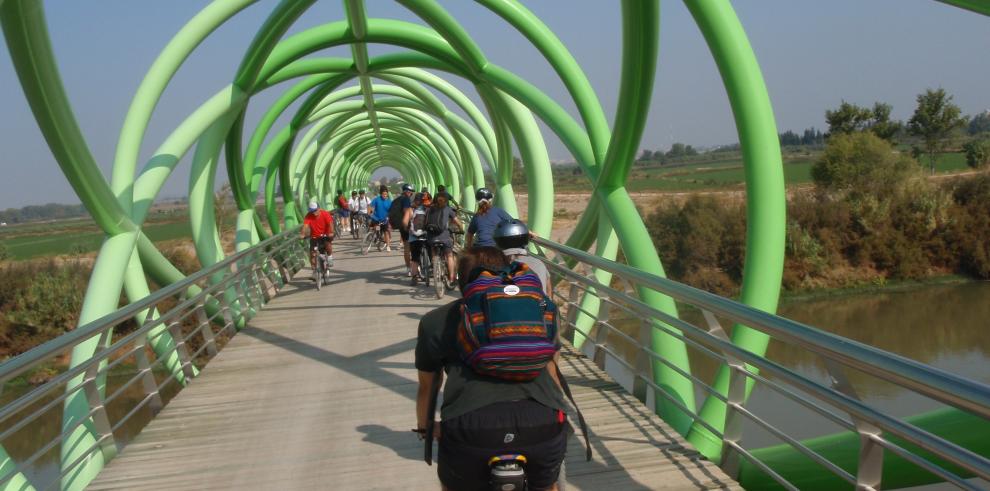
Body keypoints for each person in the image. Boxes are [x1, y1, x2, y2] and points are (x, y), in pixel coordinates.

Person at [415, 247, 570, 491]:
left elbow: (427, 387)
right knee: (548, 485)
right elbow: (552, 369)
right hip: (542, 422)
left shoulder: (435, 321)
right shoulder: (539, 310)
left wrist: (425, 428)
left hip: (470, 428)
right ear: (506, 270)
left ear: (462, 281)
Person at [493, 219, 551, 296]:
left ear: (498, 242)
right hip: (535, 306)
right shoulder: (538, 264)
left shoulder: (491, 265)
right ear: (525, 239)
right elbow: (548, 292)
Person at [425, 193, 461, 286]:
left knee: (433, 250)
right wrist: (461, 229)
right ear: (446, 201)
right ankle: (452, 278)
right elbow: (457, 222)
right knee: (449, 255)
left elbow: (425, 222)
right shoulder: (448, 209)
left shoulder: (429, 209)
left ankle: (435, 268)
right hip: (444, 237)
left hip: (431, 237)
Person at [300, 200, 334, 279]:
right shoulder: (308, 215)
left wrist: (331, 232)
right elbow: (305, 226)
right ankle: (314, 271)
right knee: (312, 253)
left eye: (315, 211)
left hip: (325, 234)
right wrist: (302, 234)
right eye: (312, 211)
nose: (313, 213)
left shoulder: (325, 214)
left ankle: (329, 257)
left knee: (327, 245)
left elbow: (330, 224)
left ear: (319, 208)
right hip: (314, 236)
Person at [407, 192, 431, 286]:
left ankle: (414, 278)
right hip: (426, 235)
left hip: (414, 237)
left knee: (414, 258)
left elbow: (405, 222)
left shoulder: (411, 209)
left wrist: (407, 229)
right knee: (431, 253)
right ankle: (435, 269)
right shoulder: (428, 209)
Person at [394, 183, 416, 275]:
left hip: (401, 226)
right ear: (407, 192)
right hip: (408, 225)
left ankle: (408, 268)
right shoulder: (406, 199)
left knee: (406, 247)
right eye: (411, 192)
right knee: (413, 247)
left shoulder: (398, 199)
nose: (411, 194)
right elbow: (406, 211)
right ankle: (415, 267)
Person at [369, 185, 393, 251]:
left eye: (386, 194)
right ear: (381, 194)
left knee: (386, 232)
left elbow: (391, 211)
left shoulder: (389, 201)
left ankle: (388, 246)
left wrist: (389, 217)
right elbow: (371, 206)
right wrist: (370, 213)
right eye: (383, 194)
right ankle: (378, 237)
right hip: (376, 219)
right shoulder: (376, 199)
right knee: (376, 228)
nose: (385, 195)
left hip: (384, 220)